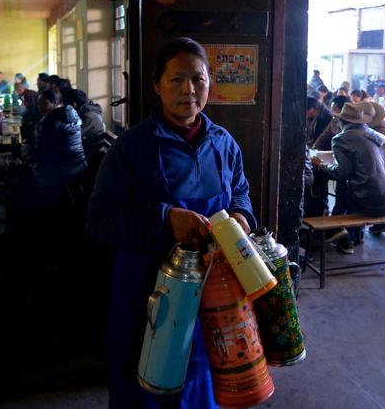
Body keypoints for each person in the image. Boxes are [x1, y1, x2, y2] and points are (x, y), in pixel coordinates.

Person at [87, 37, 256, 408]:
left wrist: (242, 216)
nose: (189, 90)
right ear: (156, 85)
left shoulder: (224, 144)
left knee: (204, 386)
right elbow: (98, 222)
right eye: (177, 79)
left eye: (198, 79)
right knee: (146, 387)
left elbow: (241, 192)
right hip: (149, 299)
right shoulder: (130, 148)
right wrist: (165, 219)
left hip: (214, 299)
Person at [311, 101, 385, 253]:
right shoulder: (379, 135)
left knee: (343, 183)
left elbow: (340, 173)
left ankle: (337, 231)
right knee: (359, 179)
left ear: (340, 121)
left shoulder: (342, 138)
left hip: (370, 203)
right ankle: (347, 234)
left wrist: (319, 165)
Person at [31, 89, 87, 194]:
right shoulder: (73, 115)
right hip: (80, 166)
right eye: (39, 104)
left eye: (44, 103)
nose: (40, 107)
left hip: (63, 169)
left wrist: (28, 159)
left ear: (55, 103)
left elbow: (41, 151)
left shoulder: (49, 121)